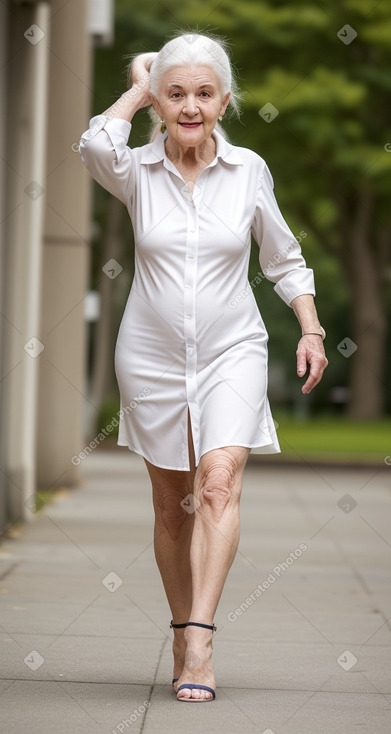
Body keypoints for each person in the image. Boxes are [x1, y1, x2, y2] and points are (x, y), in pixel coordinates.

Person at [79, 31, 328, 702]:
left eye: (203, 94)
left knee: (216, 483)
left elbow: (282, 259)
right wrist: (139, 85)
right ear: (161, 101)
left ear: (224, 100)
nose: (190, 107)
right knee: (172, 505)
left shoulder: (248, 170)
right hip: (151, 354)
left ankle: (197, 640)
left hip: (231, 350)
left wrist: (309, 327)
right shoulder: (135, 169)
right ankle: (180, 620)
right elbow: (92, 144)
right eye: (176, 94)